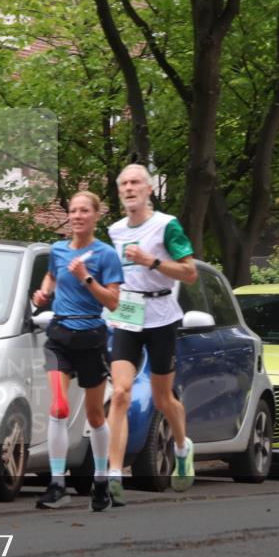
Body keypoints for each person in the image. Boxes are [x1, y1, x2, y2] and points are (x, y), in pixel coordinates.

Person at [105, 164, 198, 503]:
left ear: (148, 190)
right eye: (124, 184)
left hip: (161, 317)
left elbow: (189, 274)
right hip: (128, 316)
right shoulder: (115, 230)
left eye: (135, 183)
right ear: (120, 193)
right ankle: (114, 474)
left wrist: (151, 262)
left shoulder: (166, 226)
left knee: (162, 397)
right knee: (120, 393)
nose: (129, 188)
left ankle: (182, 446)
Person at [32, 191, 122, 511]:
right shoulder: (57, 250)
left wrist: (85, 278)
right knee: (57, 407)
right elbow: (52, 276)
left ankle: (100, 480)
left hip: (92, 337)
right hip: (59, 335)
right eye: (73, 210)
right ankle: (57, 483)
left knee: (96, 415)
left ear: (96, 216)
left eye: (85, 210)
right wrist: (42, 295)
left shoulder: (106, 255)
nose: (78, 216)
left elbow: (112, 301)